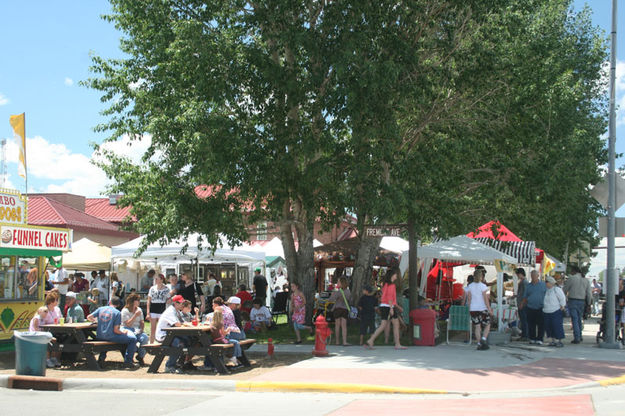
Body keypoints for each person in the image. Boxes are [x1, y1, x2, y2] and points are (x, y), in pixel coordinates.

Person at [87, 296, 138, 368]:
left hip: (100, 335)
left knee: (105, 341)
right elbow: (116, 330)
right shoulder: (117, 313)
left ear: (110, 302)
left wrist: (95, 321)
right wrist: (124, 333)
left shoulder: (100, 309)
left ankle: (101, 359)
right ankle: (128, 362)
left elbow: (89, 317)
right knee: (133, 339)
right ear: (118, 305)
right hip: (110, 336)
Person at [365, 268, 405, 350]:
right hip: (388, 306)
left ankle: (371, 340)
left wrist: (396, 306)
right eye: (395, 274)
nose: (396, 276)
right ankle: (397, 344)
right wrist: (391, 308)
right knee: (395, 325)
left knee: (384, 325)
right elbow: (390, 298)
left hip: (384, 305)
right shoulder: (392, 285)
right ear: (392, 275)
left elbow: (387, 297)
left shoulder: (385, 284)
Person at [154, 294, 186, 373]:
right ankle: (169, 366)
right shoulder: (170, 311)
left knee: (188, 340)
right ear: (176, 303)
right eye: (181, 303)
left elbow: (182, 322)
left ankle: (179, 363)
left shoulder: (177, 311)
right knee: (179, 344)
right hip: (163, 335)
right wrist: (186, 324)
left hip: (171, 334)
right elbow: (177, 324)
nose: (182, 305)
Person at [563, 265, 592, 344]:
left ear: (573, 271)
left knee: (574, 319)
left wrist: (563, 299)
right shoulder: (586, 280)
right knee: (579, 318)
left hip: (572, 300)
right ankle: (580, 335)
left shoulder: (572, 279)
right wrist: (589, 303)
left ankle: (577, 337)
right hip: (582, 301)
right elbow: (589, 293)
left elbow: (565, 290)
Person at [466, 268, 494, 350]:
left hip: (473, 309)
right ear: (481, 277)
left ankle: (479, 343)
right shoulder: (483, 286)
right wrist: (489, 309)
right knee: (487, 324)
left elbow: (469, 299)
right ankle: (483, 339)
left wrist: (469, 308)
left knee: (477, 327)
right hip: (482, 308)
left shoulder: (470, 286)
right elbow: (485, 299)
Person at [121, 293, 148, 366]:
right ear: (133, 301)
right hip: (127, 329)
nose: (139, 302)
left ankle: (140, 356)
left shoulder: (139, 309)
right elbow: (127, 324)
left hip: (137, 329)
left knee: (145, 338)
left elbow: (142, 321)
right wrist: (135, 315)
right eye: (138, 300)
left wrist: (141, 329)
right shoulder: (125, 311)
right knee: (133, 339)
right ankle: (129, 359)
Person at [522, 270, 547, 345]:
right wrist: (522, 304)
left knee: (541, 324)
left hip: (541, 307)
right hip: (530, 307)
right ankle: (532, 338)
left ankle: (540, 338)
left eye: (534, 276)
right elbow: (525, 296)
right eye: (532, 276)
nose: (533, 277)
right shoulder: (528, 286)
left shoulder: (543, 285)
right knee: (531, 324)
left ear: (538, 276)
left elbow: (547, 295)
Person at [147, 273, 171, 344]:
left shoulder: (166, 289)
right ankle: (151, 343)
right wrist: (148, 312)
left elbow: (169, 299)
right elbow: (149, 300)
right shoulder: (152, 288)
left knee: (161, 328)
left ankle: (162, 343)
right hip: (153, 308)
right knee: (153, 328)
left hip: (162, 308)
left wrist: (170, 300)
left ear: (161, 279)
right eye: (155, 279)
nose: (155, 280)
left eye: (157, 279)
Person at [543, 276, 566, 347]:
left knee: (557, 326)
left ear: (551, 283)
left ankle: (559, 340)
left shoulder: (557, 289)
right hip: (547, 311)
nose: (546, 283)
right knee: (549, 326)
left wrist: (562, 306)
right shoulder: (546, 290)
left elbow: (562, 298)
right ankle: (553, 340)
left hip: (555, 310)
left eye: (547, 282)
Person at [328, 276, 351, 346]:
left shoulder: (337, 292)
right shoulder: (348, 291)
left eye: (338, 282)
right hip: (345, 309)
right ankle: (344, 341)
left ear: (341, 283)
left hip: (337, 309)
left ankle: (337, 341)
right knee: (344, 326)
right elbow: (350, 299)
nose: (337, 283)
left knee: (337, 325)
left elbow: (330, 300)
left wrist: (332, 295)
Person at [515, 268, 529, 341]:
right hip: (521, 303)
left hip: (523, 304)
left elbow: (525, 294)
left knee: (524, 320)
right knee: (523, 320)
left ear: (520, 274)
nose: (517, 275)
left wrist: (522, 303)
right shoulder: (522, 282)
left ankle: (525, 335)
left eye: (517, 274)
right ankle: (524, 334)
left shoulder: (524, 282)